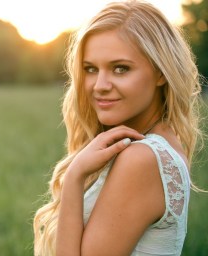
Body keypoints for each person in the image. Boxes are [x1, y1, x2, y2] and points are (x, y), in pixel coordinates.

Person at [33, 0, 204, 255]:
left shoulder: (142, 159)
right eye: (90, 69)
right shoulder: (159, 145)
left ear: (160, 72)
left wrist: (74, 178)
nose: (99, 85)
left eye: (120, 68)